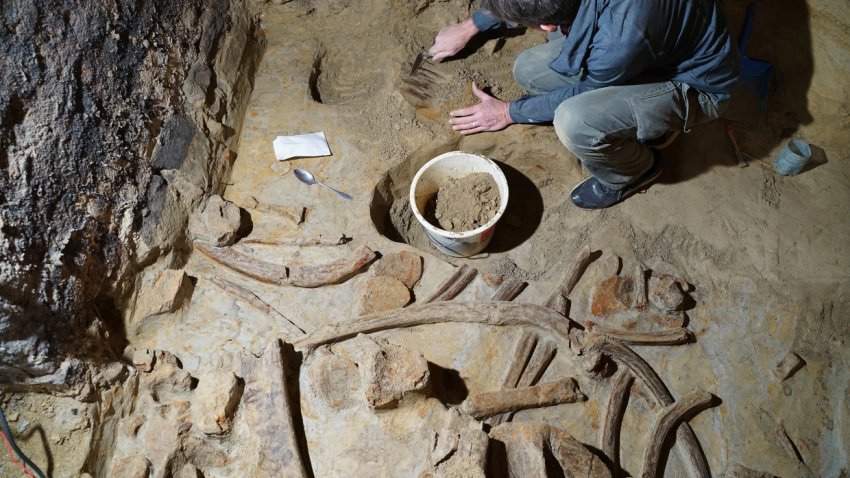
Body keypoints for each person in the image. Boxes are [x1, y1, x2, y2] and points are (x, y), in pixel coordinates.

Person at [428, 0, 739, 209]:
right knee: (529, 70)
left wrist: (508, 112)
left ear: (549, 26)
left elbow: (583, 91)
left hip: (697, 84)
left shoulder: (617, 43)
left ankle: (635, 172)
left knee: (575, 121)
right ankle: (639, 120)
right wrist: (471, 25)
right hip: (661, 43)